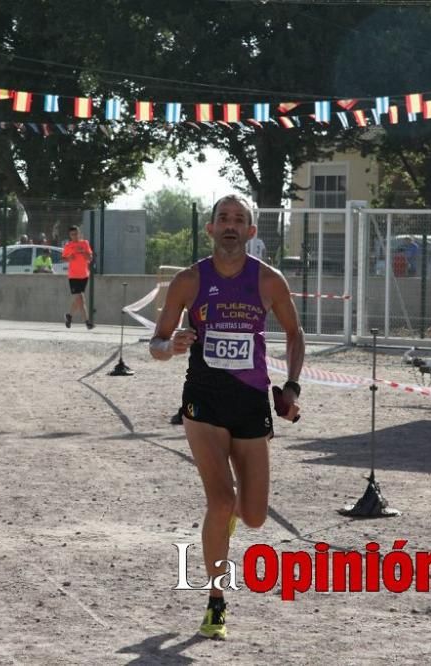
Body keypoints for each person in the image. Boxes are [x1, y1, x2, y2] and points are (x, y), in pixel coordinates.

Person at [149, 194, 304, 641]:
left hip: (252, 401)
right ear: (211, 229)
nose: (231, 225)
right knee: (220, 500)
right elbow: (157, 344)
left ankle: (227, 520)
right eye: (224, 219)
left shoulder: (268, 281)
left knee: (253, 515)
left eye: (240, 220)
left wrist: (290, 387)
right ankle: (216, 600)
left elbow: (295, 334)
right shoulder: (188, 281)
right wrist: (171, 346)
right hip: (203, 400)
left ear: (252, 232)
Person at [62, 225, 94, 329]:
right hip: (73, 276)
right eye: (72, 234)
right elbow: (63, 258)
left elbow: (90, 257)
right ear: (70, 235)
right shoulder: (68, 245)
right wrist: (69, 258)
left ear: (79, 233)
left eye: (76, 233)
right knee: (80, 298)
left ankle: (69, 316)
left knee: (79, 299)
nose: (75, 236)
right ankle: (87, 322)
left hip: (84, 275)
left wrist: (85, 253)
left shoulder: (85, 243)